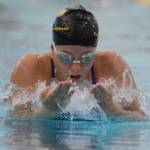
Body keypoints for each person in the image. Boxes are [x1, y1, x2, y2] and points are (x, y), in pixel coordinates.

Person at [10, 5, 144, 118]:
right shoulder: (30, 67)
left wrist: (111, 109)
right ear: (52, 51)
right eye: (65, 57)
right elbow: (15, 123)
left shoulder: (113, 65)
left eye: (86, 58)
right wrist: (48, 111)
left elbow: (140, 118)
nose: (76, 68)